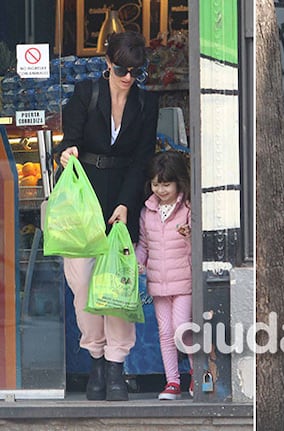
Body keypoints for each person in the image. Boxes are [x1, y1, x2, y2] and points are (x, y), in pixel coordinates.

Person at [58, 30, 159, 401]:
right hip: (84, 202)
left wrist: (126, 204)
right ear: (107, 64)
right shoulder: (87, 93)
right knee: (83, 286)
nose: (129, 77)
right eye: (121, 69)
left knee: (117, 287)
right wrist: (66, 152)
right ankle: (96, 360)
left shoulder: (147, 105)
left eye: (136, 71)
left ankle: (116, 365)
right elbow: (69, 140)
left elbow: (142, 158)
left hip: (122, 199)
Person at [134, 151, 193, 401]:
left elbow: (198, 248)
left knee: (183, 329)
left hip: (185, 282)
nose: (160, 189)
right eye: (156, 184)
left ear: (179, 181)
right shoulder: (147, 212)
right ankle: (172, 382)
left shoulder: (189, 208)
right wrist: (136, 262)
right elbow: (144, 245)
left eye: (166, 184)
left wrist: (190, 236)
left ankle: (197, 375)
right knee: (165, 333)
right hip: (157, 283)